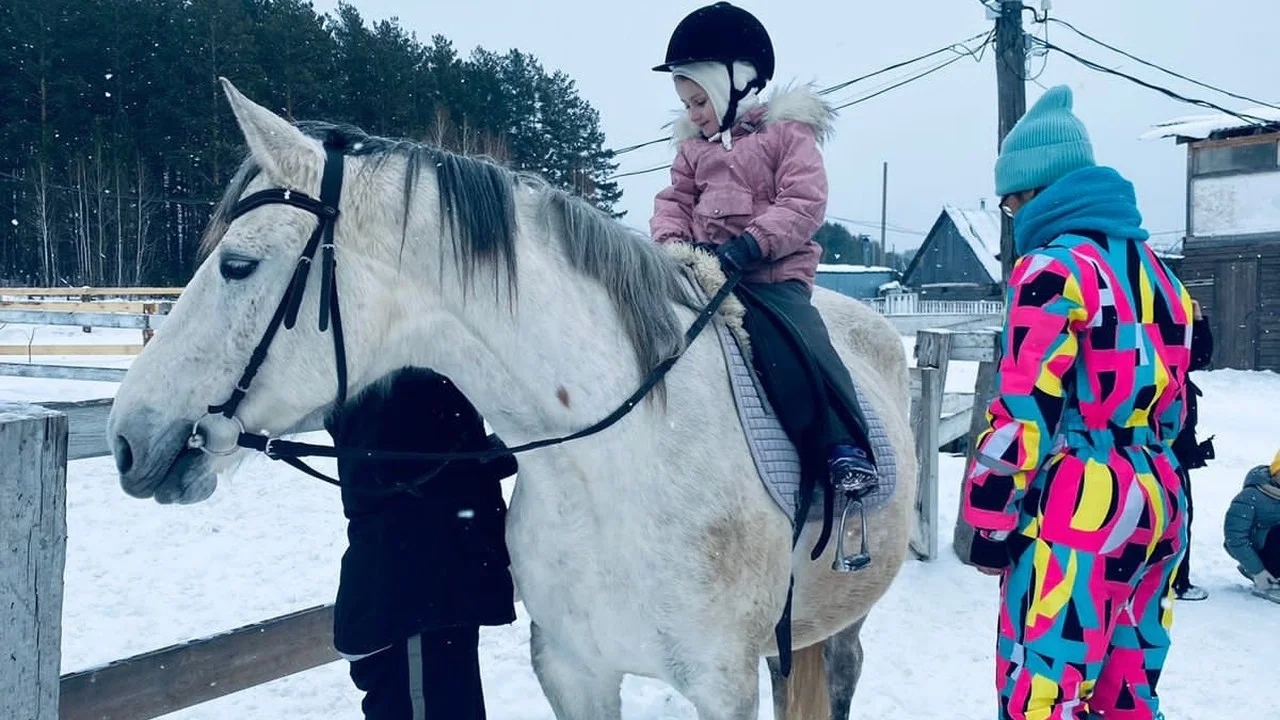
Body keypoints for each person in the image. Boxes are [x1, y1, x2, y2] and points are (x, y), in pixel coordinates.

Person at [960, 86, 1193, 720]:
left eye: (1011, 201)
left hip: (1083, 505)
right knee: (1127, 691)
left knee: (1042, 693)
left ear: (1036, 191)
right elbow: (1173, 404)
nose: (1011, 214)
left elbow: (1023, 410)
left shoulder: (1053, 270)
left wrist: (990, 520)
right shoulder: (1160, 275)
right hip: (1160, 495)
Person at [648, 2, 880, 547]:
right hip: (704, 275)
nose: (694, 114)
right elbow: (673, 202)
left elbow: (803, 201)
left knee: (796, 343)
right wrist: (674, 246)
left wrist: (751, 245)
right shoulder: (692, 151)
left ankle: (841, 444)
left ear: (736, 84)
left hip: (772, 278)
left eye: (700, 101)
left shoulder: (786, 137)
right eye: (686, 104)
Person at [324, 367, 518, 719]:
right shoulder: (389, 386)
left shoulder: (392, 385)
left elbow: (449, 469)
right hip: (413, 608)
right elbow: (431, 477)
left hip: (431, 601)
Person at [1171, 299, 1214, 601]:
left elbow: (1199, 356)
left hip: (1171, 444)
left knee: (1175, 513)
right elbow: (1197, 357)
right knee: (1178, 514)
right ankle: (1176, 582)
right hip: (1166, 445)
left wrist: (1197, 320)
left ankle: (1173, 579)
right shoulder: (1161, 344)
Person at [1223, 450, 1280, 605]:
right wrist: (1258, 571)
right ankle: (1270, 577)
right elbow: (1234, 538)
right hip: (1261, 552)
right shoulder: (1250, 496)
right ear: (1276, 472)